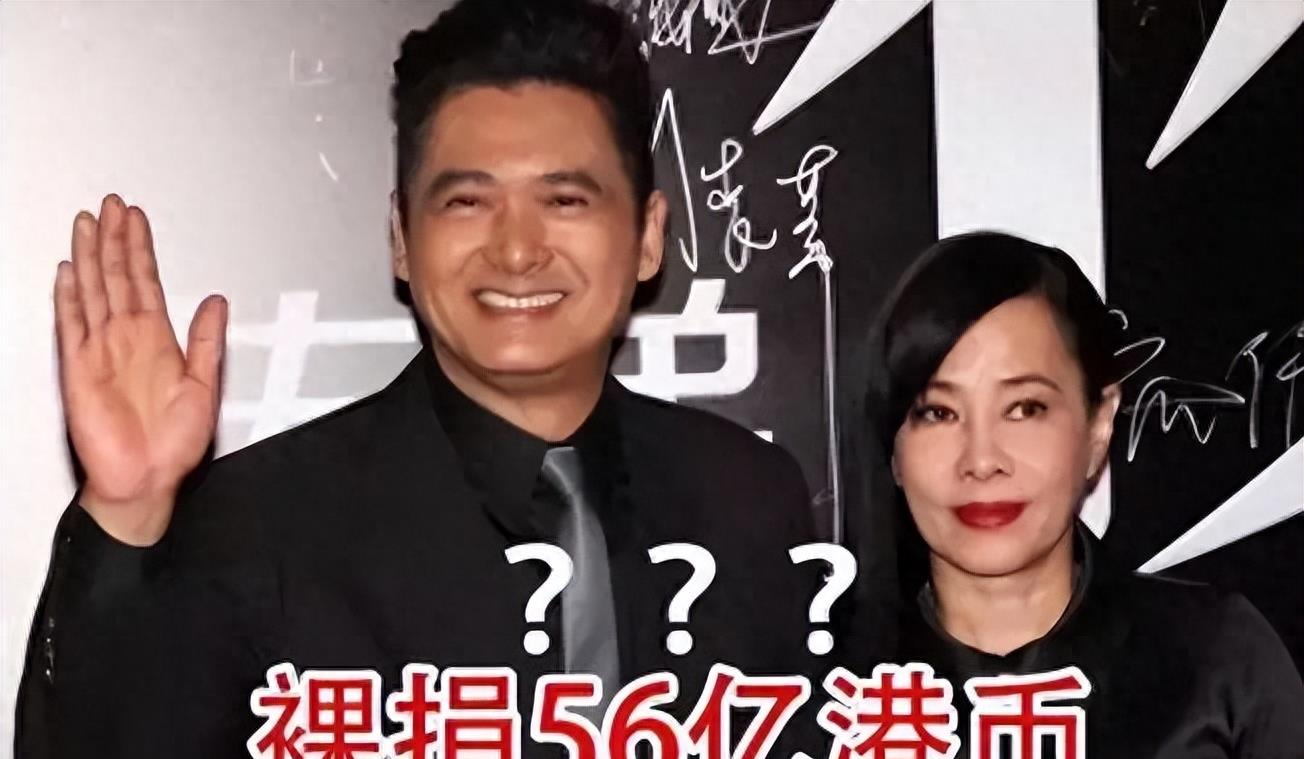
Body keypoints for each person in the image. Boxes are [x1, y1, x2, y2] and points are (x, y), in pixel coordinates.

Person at [16, 1, 820, 756]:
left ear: (647, 236)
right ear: (401, 237)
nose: (517, 250)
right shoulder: (257, 527)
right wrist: (125, 512)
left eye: (566, 200)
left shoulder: (751, 501)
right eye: (467, 202)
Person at [860, 232, 1304, 757]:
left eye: (1025, 408)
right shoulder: (825, 686)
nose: (981, 461)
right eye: (938, 413)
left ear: (1098, 425)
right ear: (893, 446)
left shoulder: (1217, 659)